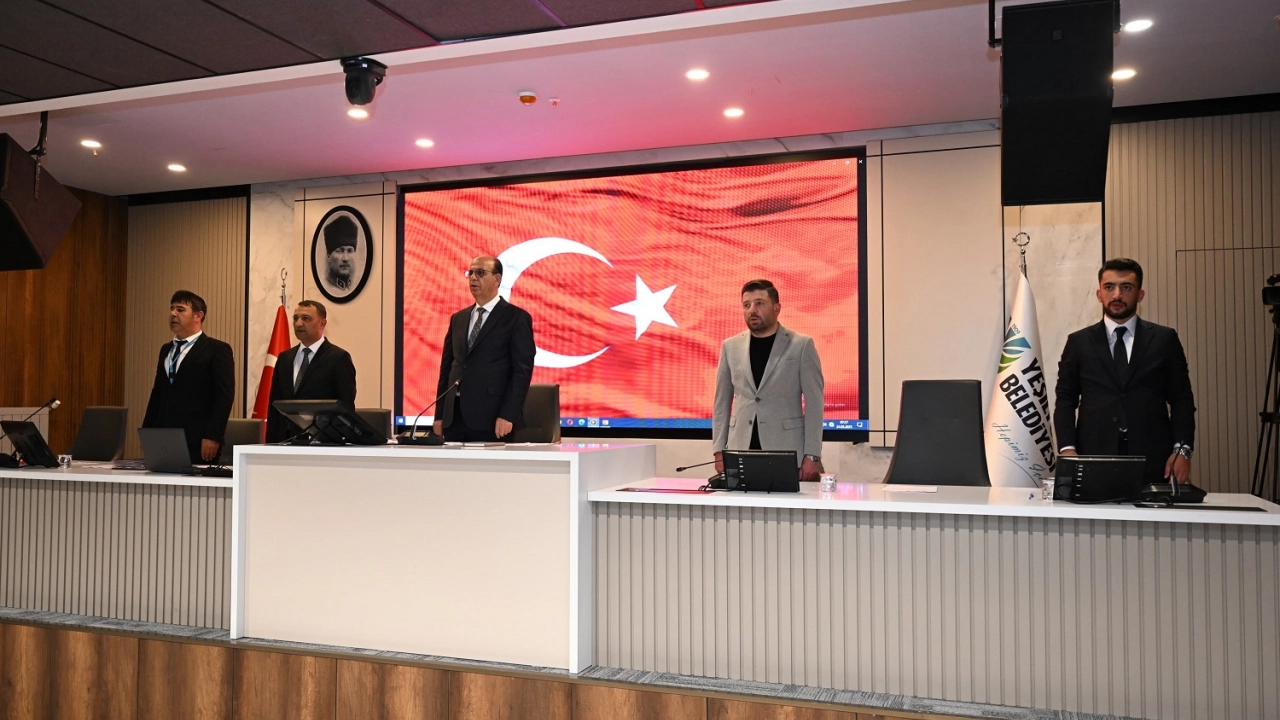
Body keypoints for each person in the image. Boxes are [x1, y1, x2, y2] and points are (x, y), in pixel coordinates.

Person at [1054, 258, 1196, 484]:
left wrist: (1183, 450)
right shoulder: (1078, 342)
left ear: (1140, 294)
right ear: (1099, 294)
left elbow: (1182, 399)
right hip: (1092, 458)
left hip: (1154, 461)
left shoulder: (1164, 339)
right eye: (1109, 287)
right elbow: (1065, 400)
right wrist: (1067, 449)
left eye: (1126, 287)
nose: (1117, 295)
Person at [712, 279, 825, 481]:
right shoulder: (730, 347)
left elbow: (815, 404)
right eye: (747, 305)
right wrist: (719, 449)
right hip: (740, 448)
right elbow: (721, 403)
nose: (752, 310)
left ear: (776, 308)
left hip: (787, 449)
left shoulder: (801, 345)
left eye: (759, 303)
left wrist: (812, 455)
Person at [432, 256, 536, 442]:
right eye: (470, 273)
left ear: (497, 279)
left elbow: (522, 372)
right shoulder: (458, 318)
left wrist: (508, 414)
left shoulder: (516, 318)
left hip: (492, 418)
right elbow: (447, 369)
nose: (473, 278)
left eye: (480, 273)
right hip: (454, 419)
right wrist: (439, 415)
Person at [142, 290, 235, 463]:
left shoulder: (217, 349)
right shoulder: (166, 349)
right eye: (171, 309)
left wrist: (213, 435)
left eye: (180, 309)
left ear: (198, 315)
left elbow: (224, 396)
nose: (173, 314)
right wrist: (146, 432)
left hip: (197, 439)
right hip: (163, 436)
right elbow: (157, 393)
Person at [266, 300, 357, 442]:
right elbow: (274, 406)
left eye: (306, 318)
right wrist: (270, 444)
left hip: (322, 442)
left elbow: (345, 408)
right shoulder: (285, 358)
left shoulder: (338, 358)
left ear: (322, 323)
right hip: (285, 441)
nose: (298, 324)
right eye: (295, 318)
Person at [323, 216, 358, 292]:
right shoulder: (325, 285)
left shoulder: (353, 286)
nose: (345, 258)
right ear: (329, 256)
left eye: (350, 251)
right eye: (339, 251)